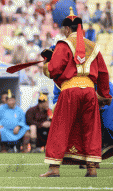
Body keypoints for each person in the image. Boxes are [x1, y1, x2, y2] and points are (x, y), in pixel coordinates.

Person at [40, 7, 112, 177]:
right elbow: (103, 73)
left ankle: (54, 168)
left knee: (60, 127)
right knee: (91, 129)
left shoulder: (63, 45)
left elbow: (54, 70)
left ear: (66, 29)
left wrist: (47, 62)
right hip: (88, 91)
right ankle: (91, 168)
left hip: (70, 90)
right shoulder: (93, 47)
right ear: (81, 28)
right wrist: (104, 95)